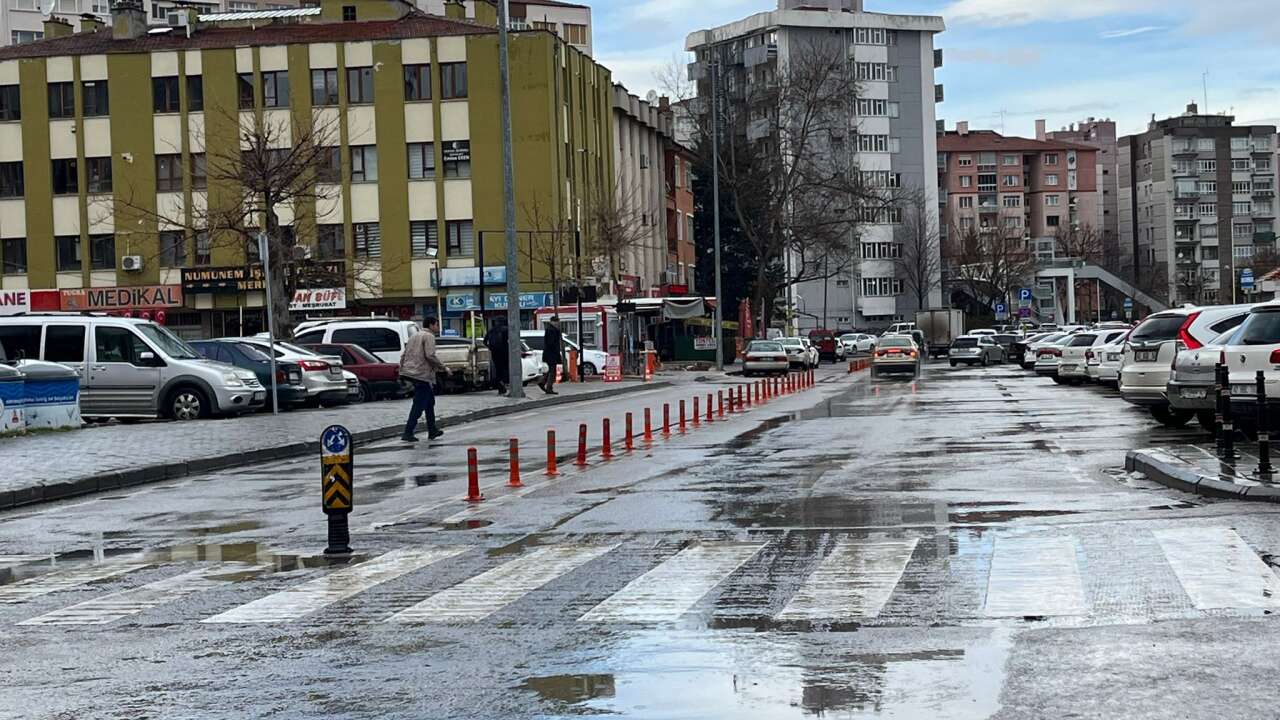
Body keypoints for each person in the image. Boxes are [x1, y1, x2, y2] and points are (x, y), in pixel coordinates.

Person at [400, 317, 448, 442]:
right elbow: (430, 355)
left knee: (429, 402)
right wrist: (443, 367)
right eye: (437, 325)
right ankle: (408, 432)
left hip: (411, 372)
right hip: (421, 374)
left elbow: (404, 354)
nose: (438, 327)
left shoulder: (414, 336)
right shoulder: (429, 336)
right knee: (419, 403)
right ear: (431, 325)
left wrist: (402, 369)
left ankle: (432, 430)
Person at [483, 316, 510, 396]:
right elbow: (511, 340)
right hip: (505, 352)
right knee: (506, 369)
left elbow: (485, 341)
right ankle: (504, 383)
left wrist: (491, 348)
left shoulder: (491, 330)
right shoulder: (506, 329)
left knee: (498, 370)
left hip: (495, 353)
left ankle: (500, 388)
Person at [540, 316, 564, 395]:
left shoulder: (550, 329)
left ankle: (542, 382)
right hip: (551, 354)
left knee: (551, 370)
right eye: (557, 322)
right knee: (553, 371)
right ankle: (549, 387)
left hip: (549, 353)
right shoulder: (552, 330)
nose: (558, 324)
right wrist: (557, 353)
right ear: (553, 322)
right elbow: (551, 343)